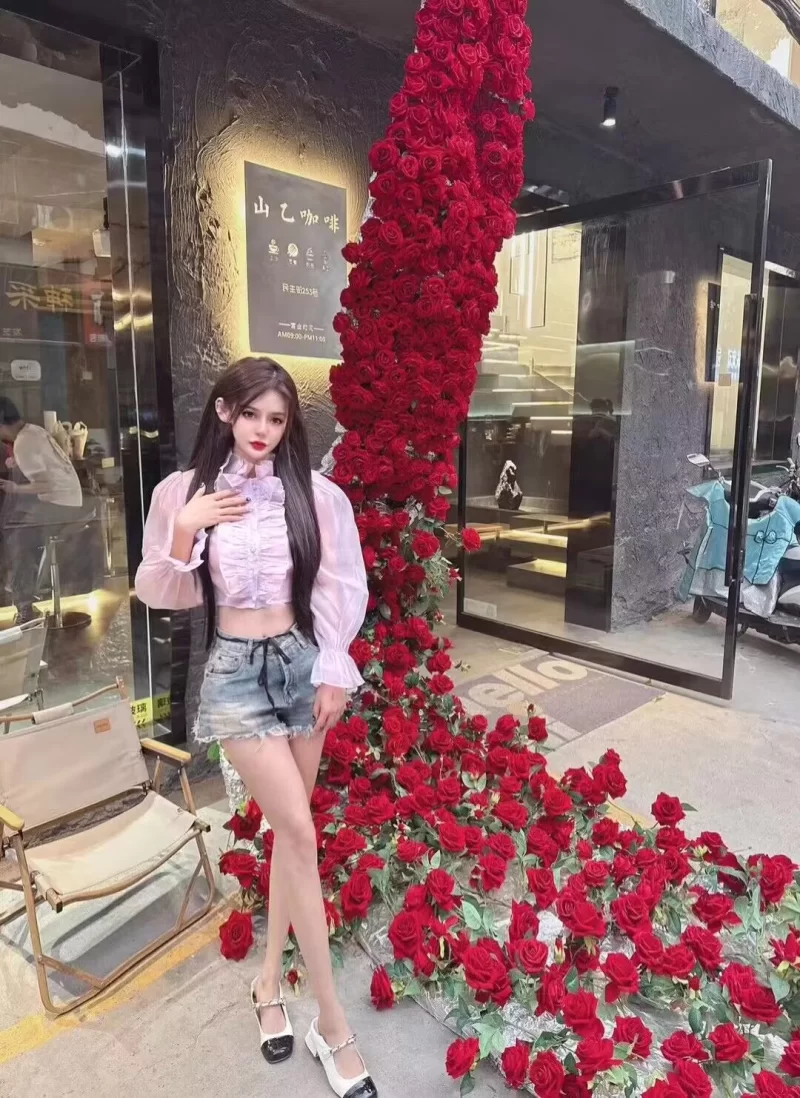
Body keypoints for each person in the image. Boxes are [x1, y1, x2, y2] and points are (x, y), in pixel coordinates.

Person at [134, 358, 375, 1098]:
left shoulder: (314, 494)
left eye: (277, 418)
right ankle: (332, 1023)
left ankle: (269, 984)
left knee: (289, 836)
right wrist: (186, 529)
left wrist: (332, 667)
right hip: (235, 672)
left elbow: (340, 582)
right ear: (223, 412)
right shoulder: (184, 493)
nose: (264, 430)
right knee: (299, 833)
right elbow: (161, 592)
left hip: (301, 663)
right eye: (251, 415)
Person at [0, 397, 83, 623]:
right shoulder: (33, 431)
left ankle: (25, 608)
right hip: (71, 501)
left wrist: (15, 488)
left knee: (16, 534)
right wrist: (18, 463)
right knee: (17, 525)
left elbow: (45, 485)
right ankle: (26, 589)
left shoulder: (22, 443)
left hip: (61, 504)